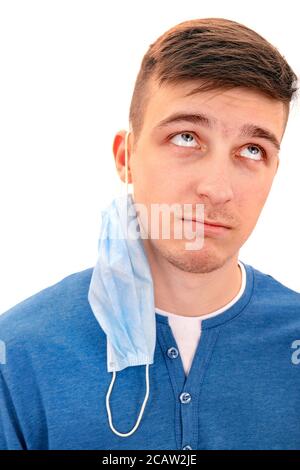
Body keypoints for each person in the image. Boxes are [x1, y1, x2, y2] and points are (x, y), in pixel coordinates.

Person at [0, 17, 299, 451]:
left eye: (253, 150)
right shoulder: (19, 356)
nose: (216, 188)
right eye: (185, 137)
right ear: (126, 158)